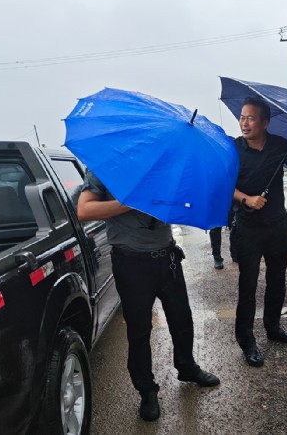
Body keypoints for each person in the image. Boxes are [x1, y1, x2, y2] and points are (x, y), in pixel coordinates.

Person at [77, 170, 220, 422]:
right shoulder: (108, 164)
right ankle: (147, 390)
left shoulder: (163, 163)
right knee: (139, 331)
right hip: (131, 263)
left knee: (182, 320)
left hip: (168, 258)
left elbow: (180, 204)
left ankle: (187, 367)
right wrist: (131, 202)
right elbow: (84, 210)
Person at [230, 95, 287, 367]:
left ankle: (273, 328)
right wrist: (246, 199)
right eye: (242, 117)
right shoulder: (234, 149)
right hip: (248, 228)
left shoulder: (279, 146)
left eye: (251, 118)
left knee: (277, 280)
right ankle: (247, 341)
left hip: (277, 225)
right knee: (248, 285)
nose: (244, 123)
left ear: (265, 123)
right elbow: (224, 185)